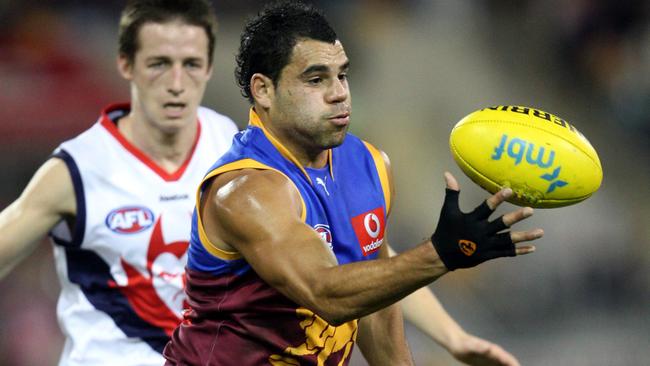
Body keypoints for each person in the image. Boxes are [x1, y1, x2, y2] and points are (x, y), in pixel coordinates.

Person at [163, 1, 544, 365]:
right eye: (316, 79)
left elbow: (375, 308)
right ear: (263, 90)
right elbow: (326, 294)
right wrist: (441, 253)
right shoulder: (247, 191)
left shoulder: (369, 164)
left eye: (342, 74)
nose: (339, 93)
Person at [0, 1, 239, 365]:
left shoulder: (229, 143)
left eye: (190, 64)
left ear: (208, 68)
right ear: (126, 64)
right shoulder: (77, 169)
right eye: (159, 64)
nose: (176, 83)